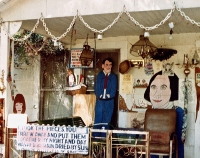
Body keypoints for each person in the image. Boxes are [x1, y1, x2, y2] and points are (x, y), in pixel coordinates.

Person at [144, 71, 185, 158]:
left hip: (171, 144)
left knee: (176, 141)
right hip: (154, 143)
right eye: (153, 87)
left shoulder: (178, 111)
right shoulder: (151, 112)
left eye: (163, 87)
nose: (157, 94)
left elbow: (179, 139)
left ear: (172, 90)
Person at [93, 58, 117, 136]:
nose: (108, 66)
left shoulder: (113, 77)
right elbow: (96, 88)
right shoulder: (99, 76)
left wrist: (109, 95)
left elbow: (113, 89)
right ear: (103, 66)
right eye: (106, 65)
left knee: (107, 121)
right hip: (100, 101)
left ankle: (104, 141)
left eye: (110, 65)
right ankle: (95, 140)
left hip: (109, 102)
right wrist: (99, 94)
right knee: (98, 120)